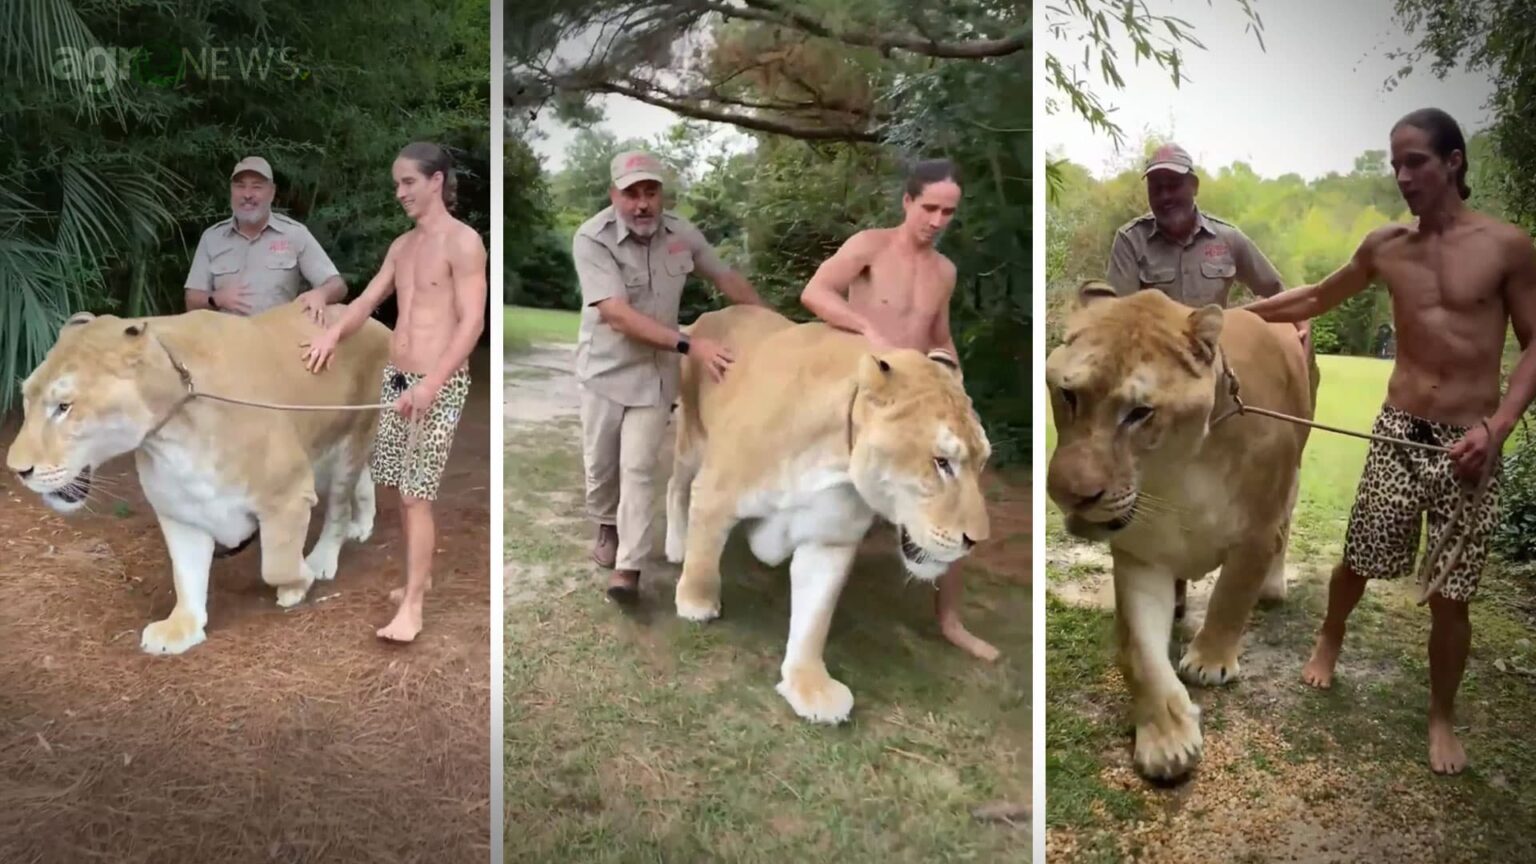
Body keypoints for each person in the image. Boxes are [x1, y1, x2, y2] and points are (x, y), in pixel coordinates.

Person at [1240, 107, 1536, 775]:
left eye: (1416, 163)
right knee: (1360, 558)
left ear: (1454, 162)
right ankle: (1330, 635)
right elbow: (1316, 297)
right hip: (1398, 429)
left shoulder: (1507, 246)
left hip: (1472, 442)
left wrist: (1499, 427)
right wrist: (1228, 319)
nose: (1402, 176)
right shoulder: (1386, 246)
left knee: (1453, 593)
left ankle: (1441, 716)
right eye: (1394, 164)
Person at [797, 157, 998, 663]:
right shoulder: (870, 246)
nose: (936, 221)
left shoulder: (945, 271)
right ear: (907, 201)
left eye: (948, 212)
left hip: (926, 397)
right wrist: (867, 331)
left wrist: (954, 373)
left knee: (964, 483)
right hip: (869, 391)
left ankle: (949, 618)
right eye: (928, 207)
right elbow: (814, 292)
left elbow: (938, 334)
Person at [1104, 141, 1311, 621]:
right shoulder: (1131, 241)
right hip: (1157, 386)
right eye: (1157, 185)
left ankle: (1258, 556)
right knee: (1162, 478)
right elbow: (1120, 317)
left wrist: (1299, 322)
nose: (1165, 194)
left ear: (1193, 186)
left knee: (1229, 477)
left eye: (1174, 184)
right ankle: (1169, 582)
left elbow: (1274, 291)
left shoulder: (1227, 240)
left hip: (1221, 380)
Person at [301, 141, 488, 644]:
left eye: (408, 181)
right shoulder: (403, 246)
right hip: (397, 380)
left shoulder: (464, 242)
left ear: (436, 181)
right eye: (396, 184)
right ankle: (415, 578)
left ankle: (413, 604)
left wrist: (432, 384)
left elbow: (472, 323)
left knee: (413, 496)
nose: (400, 192)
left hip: (437, 384)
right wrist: (332, 334)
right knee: (395, 486)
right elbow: (366, 300)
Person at [571, 150, 766, 600]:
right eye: (631, 193)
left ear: (662, 194)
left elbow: (726, 277)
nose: (642, 204)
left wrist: (774, 327)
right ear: (614, 194)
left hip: (655, 376)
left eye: (651, 192)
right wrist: (690, 344)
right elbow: (616, 315)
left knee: (638, 468)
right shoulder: (592, 239)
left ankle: (629, 568)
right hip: (604, 370)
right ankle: (606, 525)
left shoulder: (682, 235)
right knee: (601, 467)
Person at [184, 156, 348, 322]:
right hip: (225, 342)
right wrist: (216, 298)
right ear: (232, 191)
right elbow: (191, 300)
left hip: (277, 339)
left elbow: (337, 285)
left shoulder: (294, 234)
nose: (247, 194)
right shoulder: (212, 238)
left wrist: (321, 294)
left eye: (257, 187)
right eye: (240, 186)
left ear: (272, 192)